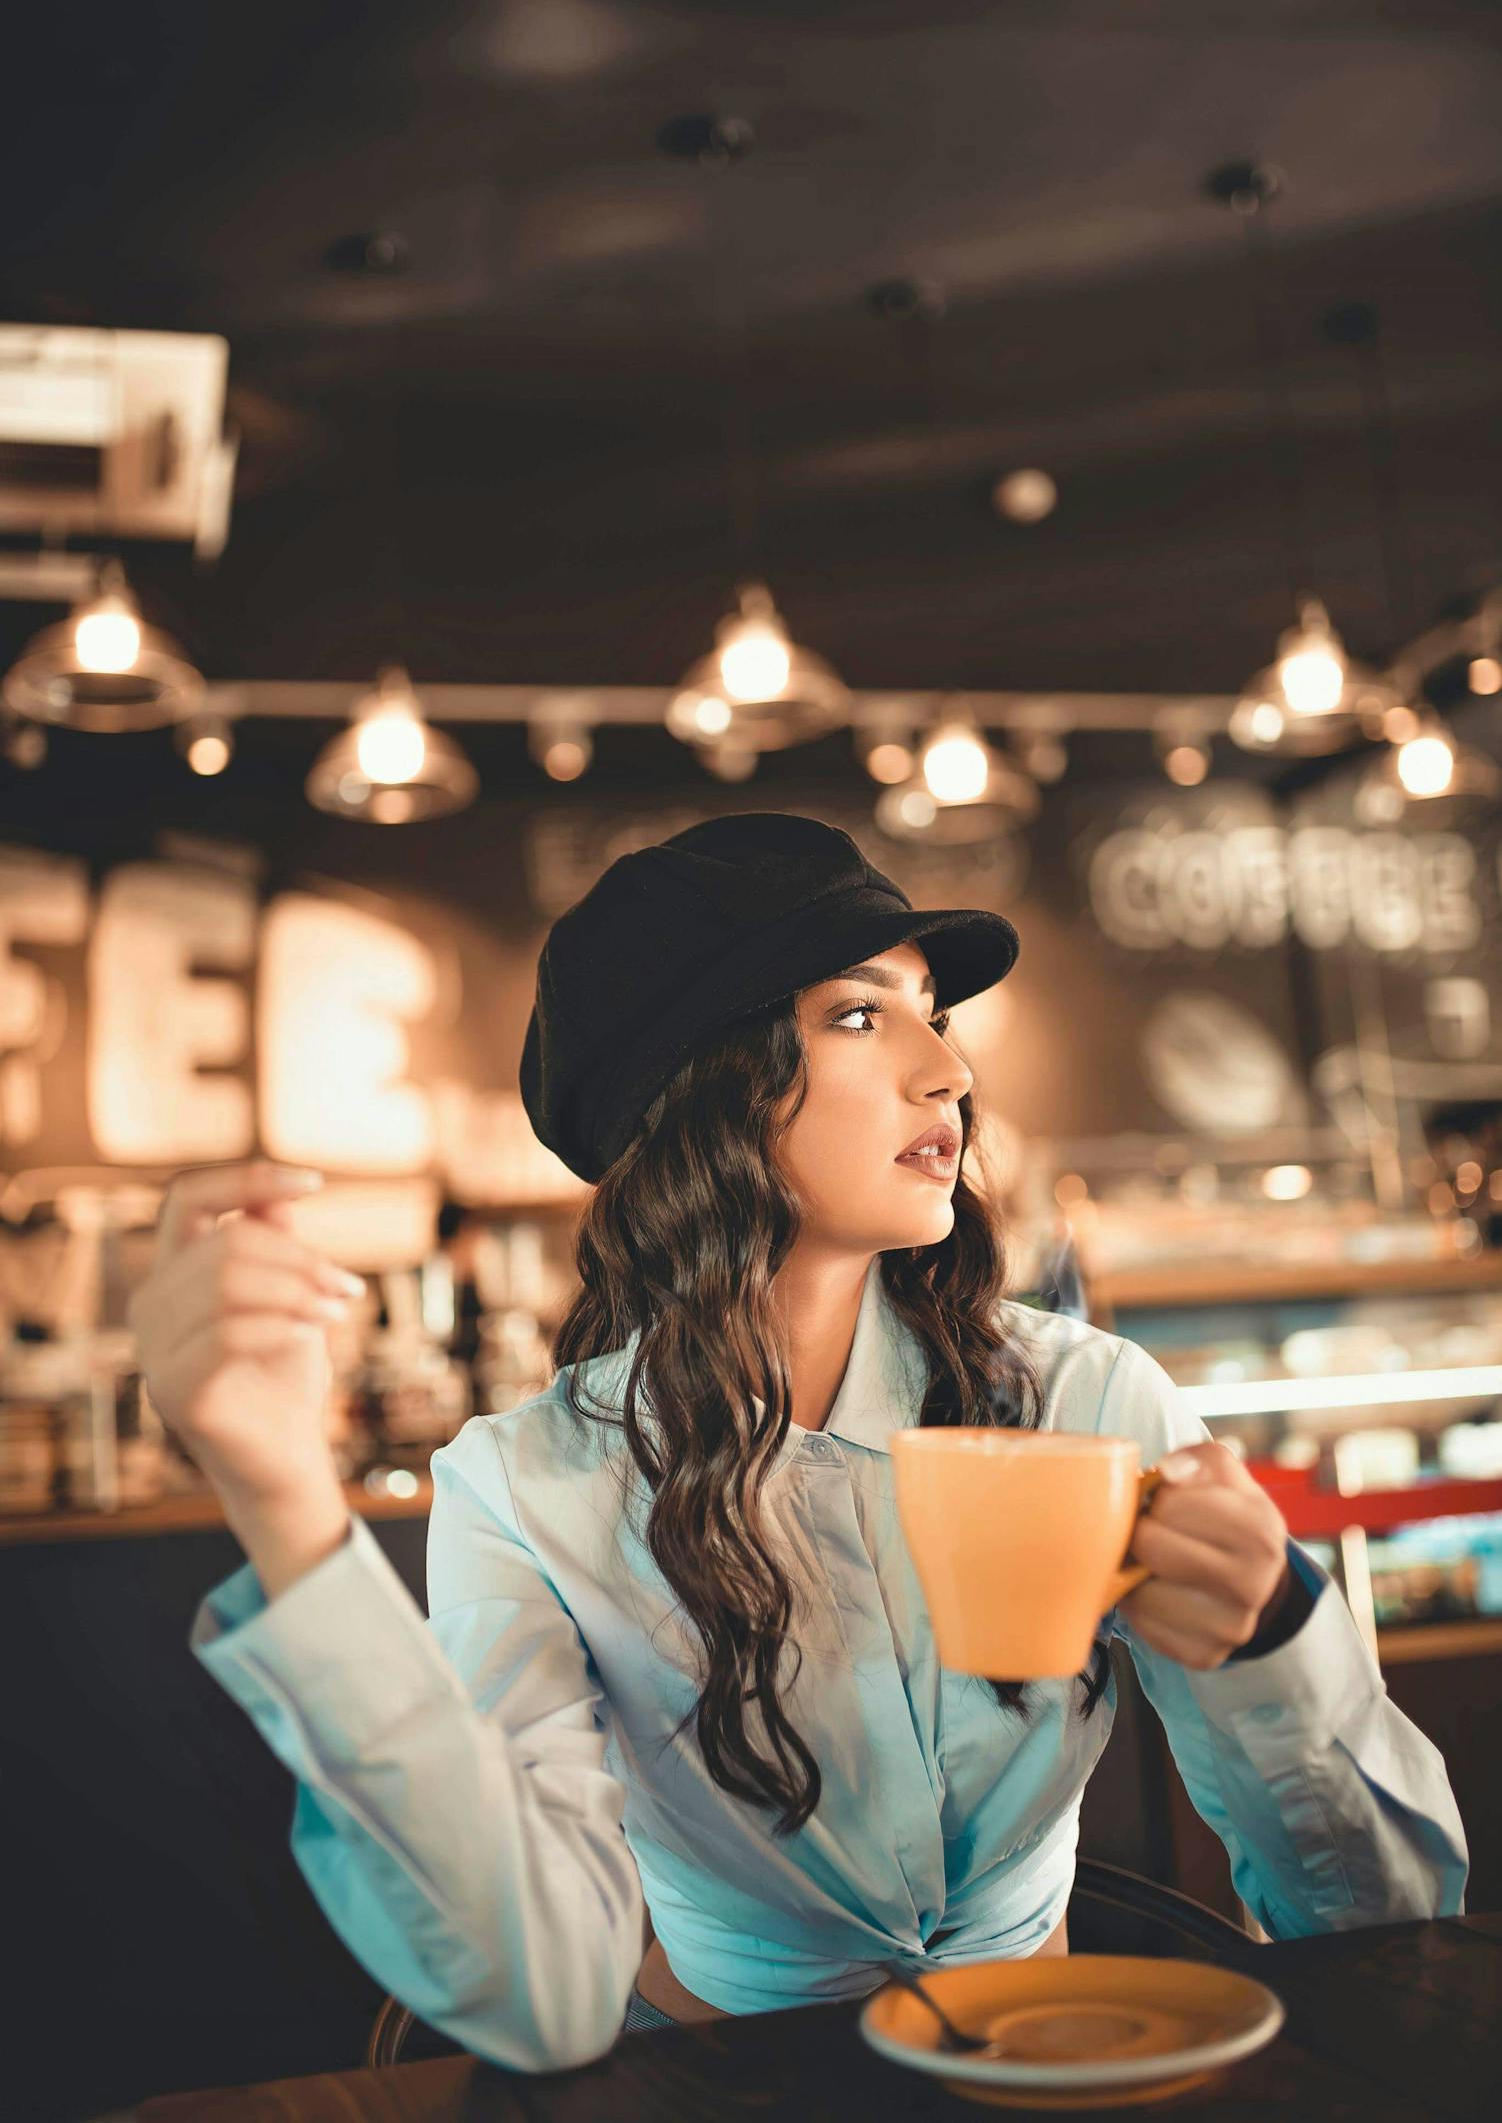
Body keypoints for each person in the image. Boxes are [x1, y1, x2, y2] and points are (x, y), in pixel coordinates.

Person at [127, 813, 1467, 2074]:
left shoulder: (1086, 1399)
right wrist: (283, 1499)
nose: (949, 1070)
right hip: (708, 2085)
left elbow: (1385, 1926)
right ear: (701, 1098)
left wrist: (1275, 1647)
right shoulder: (528, 1484)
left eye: (935, 1015)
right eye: (859, 1015)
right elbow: (537, 1993)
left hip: (1051, 2065)